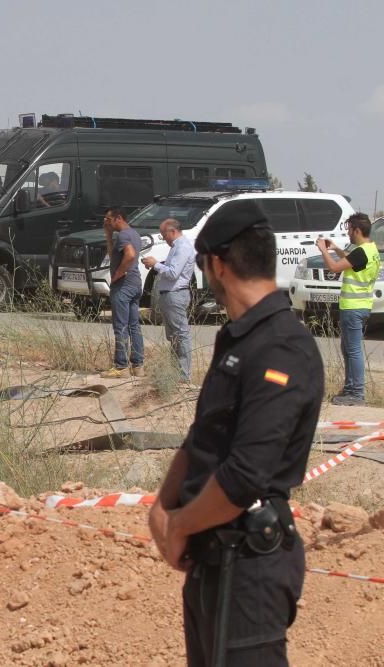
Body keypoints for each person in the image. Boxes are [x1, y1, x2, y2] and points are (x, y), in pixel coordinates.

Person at [148, 199, 323, 666]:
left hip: (250, 565)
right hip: (212, 557)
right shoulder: (238, 338)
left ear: (218, 265)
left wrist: (179, 524)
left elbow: (246, 475)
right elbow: (202, 435)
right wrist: (161, 507)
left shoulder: (282, 347)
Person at [316, 212, 380, 406]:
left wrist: (323, 251)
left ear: (357, 230)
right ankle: (350, 389)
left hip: (354, 307)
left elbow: (335, 268)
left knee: (353, 350)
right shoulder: (369, 250)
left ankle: (356, 393)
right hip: (358, 306)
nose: (348, 233)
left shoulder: (362, 252)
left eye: (350, 230)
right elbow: (352, 263)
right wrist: (335, 248)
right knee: (348, 348)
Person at [142, 218, 196, 381]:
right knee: (173, 336)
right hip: (169, 295)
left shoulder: (183, 247)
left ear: (172, 231)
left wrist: (156, 264)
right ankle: (176, 372)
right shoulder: (176, 247)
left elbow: (173, 273)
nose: (162, 237)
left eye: (163, 234)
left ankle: (183, 375)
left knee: (180, 335)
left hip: (176, 294)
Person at [100, 207, 145, 378]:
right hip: (135, 284)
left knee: (120, 326)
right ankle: (138, 366)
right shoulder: (134, 234)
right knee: (134, 325)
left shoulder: (124, 235)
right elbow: (114, 256)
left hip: (124, 286)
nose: (106, 222)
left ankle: (121, 367)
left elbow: (130, 255)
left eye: (108, 219)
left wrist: (118, 274)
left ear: (118, 218)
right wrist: (108, 236)